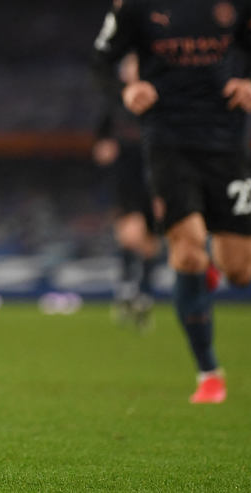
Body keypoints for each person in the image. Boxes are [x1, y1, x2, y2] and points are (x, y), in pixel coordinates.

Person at [90, 0, 251, 404]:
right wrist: (127, 90)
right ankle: (209, 374)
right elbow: (102, 60)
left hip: (227, 144)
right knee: (187, 254)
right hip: (167, 141)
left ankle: (207, 274)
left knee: (240, 271)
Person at [93, 53, 162, 330]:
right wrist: (104, 149)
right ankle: (125, 291)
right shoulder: (115, 104)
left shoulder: (159, 102)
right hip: (126, 176)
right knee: (129, 233)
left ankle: (143, 295)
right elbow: (101, 141)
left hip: (155, 174)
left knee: (150, 241)